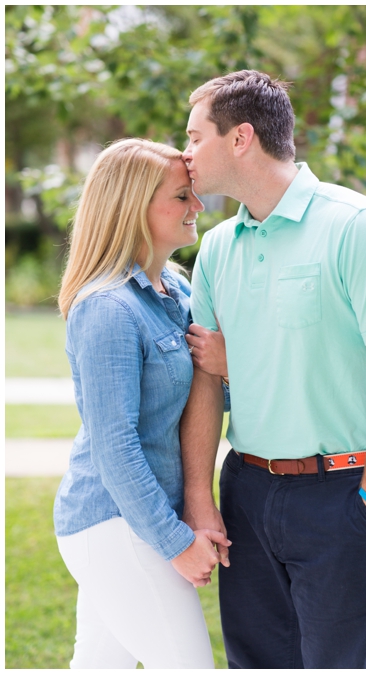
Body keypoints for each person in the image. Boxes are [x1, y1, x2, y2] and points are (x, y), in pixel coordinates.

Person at [179, 70, 366, 669]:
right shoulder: (216, 247)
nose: (184, 155)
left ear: (240, 139)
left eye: (193, 137)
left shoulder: (357, 227)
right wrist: (200, 496)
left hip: (344, 493)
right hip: (247, 491)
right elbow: (206, 378)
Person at [53, 138, 230, 668]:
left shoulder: (175, 289)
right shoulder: (107, 309)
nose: (197, 206)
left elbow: (209, 391)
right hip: (114, 526)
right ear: (134, 207)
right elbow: (115, 448)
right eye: (181, 196)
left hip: (136, 523)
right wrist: (176, 541)